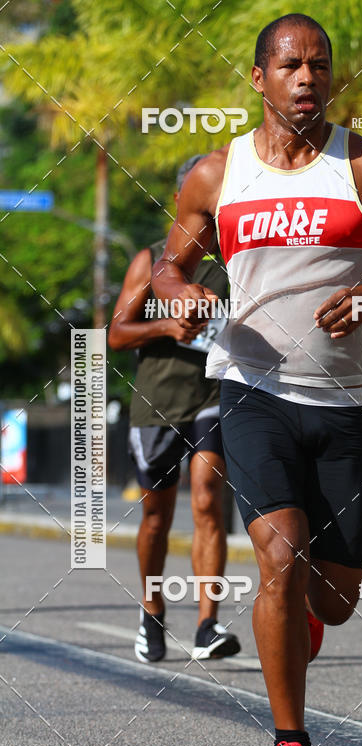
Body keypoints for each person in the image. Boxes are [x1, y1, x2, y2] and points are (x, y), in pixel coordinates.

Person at [152, 14, 362, 746]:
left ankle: (301, 625)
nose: (306, 77)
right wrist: (189, 294)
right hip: (251, 392)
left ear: (333, 76)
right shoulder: (217, 173)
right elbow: (167, 271)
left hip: (340, 401)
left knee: (334, 600)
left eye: (318, 65)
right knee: (280, 557)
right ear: (259, 79)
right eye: (289, 65)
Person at [108, 156, 241, 665]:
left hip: (214, 395)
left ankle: (207, 624)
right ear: (183, 199)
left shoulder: (235, 261)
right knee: (156, 516)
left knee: (208, 500)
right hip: (157, 403)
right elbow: (117, 334)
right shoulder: (151, 260)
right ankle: (152, 610)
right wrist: (166, 327)